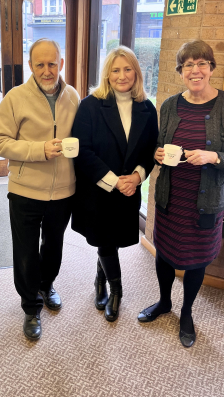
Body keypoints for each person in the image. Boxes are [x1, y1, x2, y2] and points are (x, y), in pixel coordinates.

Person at [138, 40, 224, 348]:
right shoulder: (169, 105)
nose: (195, 70)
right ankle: (164, 302)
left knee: (196, 260)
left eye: (202, 63)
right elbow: (157, 148)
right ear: (180, 71)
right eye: (188, 64)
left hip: (206, 204)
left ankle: (187, 313)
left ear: (212, 68)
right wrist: (159, 154)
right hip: (170, 198)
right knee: (164, 254)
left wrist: (213, 157)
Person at [0, 38, 80, 341]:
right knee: (26, 251)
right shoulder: (15, 98)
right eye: (40, 64)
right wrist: (39, 149)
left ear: (61, 64)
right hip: (26, 189)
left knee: (54, 245)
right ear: (30, 66)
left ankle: (46, 285)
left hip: (64, 190)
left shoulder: (73, 96)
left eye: (52, 63)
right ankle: (31, 307)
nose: (46, 70)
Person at [71, 46, 158, 322]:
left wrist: (137, 177)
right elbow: (83, 151)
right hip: (98, 189)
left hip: (130, 188)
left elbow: (150, 149)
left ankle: (99, 279)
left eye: (128, 69)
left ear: (136, 72)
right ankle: (116, 291)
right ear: (107, 74)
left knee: (112, 241)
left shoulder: (147, 107)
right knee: (105, 241)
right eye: (116, 70)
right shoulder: (90, 105)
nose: (122, 75)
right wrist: (114, 182)